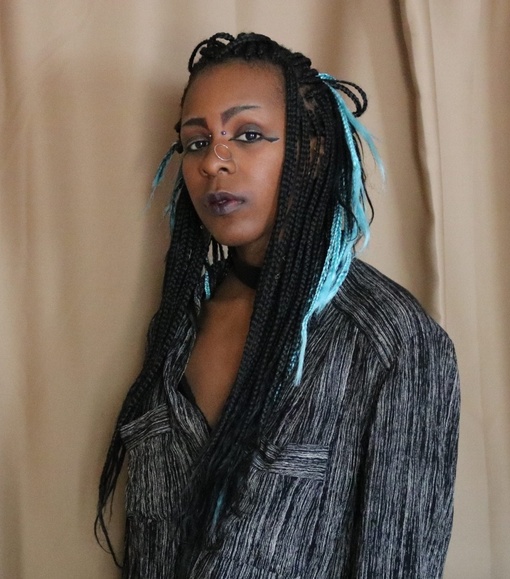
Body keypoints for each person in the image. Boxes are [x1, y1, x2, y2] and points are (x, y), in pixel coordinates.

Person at [96, 32, 460, 578]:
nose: (214, 162)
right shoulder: (177, 326)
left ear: (312, 152)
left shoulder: (391, 343)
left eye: (247, 135)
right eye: (196, 142)